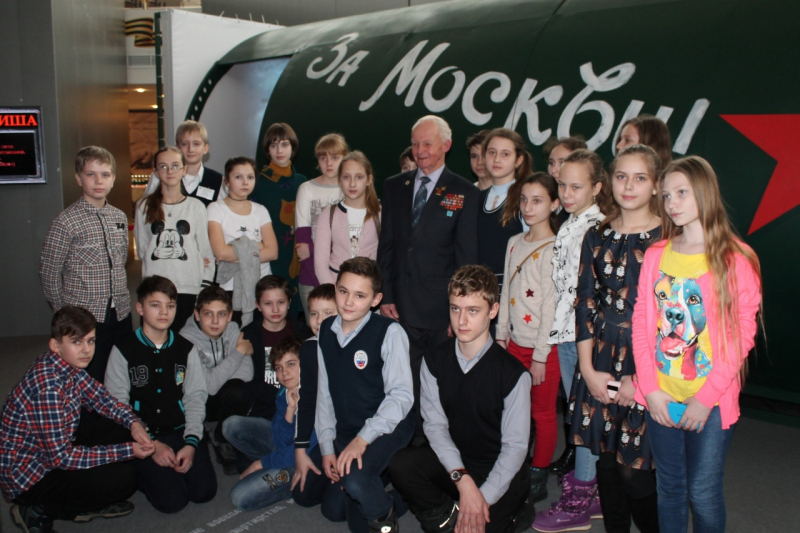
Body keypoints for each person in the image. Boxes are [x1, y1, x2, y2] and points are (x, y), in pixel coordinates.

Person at [632, 156, 762, 533]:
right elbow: (642, 323)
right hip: (661, 396)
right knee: (669, 488)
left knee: (703, 492)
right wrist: (650, 390)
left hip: (711, 400)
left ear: (705, 192)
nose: (672, 203)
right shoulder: (656, 254)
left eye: (682, 193)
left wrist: (705, 399)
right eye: (667, 195)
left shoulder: (736, 259)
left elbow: (741, 338)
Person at [541, 145, 664, 533]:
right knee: (607, 463)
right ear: (610, 181)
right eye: (622, 176)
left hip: (648, 366)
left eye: (640, 178)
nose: (629, 186)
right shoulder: (597, 234)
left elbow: (672, 318)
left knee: (635, 472)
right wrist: (588, 370)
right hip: (598, 360)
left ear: (656, 185)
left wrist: (640, 378)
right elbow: (585, 303)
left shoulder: (668, 237)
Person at [390, 265, 534, 533]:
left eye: (473, 310)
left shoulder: (513, 374)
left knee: (482, 521)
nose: (462, 321)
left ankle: (518, 507)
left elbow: (515, 449)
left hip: (499, 470)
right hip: (455, 463)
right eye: (455, 308)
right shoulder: (434, 360)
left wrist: (481, 498)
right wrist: (462, 480)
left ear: (493, 310)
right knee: (401, 464)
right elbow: (435, 426)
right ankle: (446, 513)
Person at [1, 307, 154, 533]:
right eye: (76, 342)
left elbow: (102, 399)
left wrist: (134, 423)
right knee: (123, 480)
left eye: (91, 341)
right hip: (30, 476)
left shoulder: (67, 365)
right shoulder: (48, 389)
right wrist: (128, 451)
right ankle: (39, 510)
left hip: (53, 447)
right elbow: (62, 458)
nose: (86, 350)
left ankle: (85, 497)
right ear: (55, 345)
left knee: (123, 428)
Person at [377, 115, 479, 442]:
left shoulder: (464, 191)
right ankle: (405, 443)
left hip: (439, 311)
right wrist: (386, 295)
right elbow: (387, 245)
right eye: (415, 144)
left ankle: (435, 446)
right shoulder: (395, 186)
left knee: (438, 384)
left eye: (427, 143)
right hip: (400, 307)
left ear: (446, 145)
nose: (419, 151)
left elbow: (466, 259)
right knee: (402, 381)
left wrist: (458, 313)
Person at [308, 257, 414, 532]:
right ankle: (377, 484)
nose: (348, 302)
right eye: (343, 291)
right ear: (335, 289)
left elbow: (401, 397)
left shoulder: (389, 332)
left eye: (360, 295)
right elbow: (324, 394)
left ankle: (394, 506)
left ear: (376, 299)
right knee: (330, 510)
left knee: (356, 485)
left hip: (388, 427)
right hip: (349, 428)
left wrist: (363, 439)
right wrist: (327, 447)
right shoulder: (326, 331)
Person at [105, 275, 217, 514]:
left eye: (170, 305)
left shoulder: (186, 349)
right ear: (140, 308)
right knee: (173, 502)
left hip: (179, 430)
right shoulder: (123, 350)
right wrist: (153, 445)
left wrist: (191, 443)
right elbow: (117, 404)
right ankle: (139, 473)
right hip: (142, 435)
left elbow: (195, 397)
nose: (164, 312)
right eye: (155, 305)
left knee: (204, 492)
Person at [538, 149, 607, 529]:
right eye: (562, 185)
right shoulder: (570, 222)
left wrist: (585, 347)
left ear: (596, 187)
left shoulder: (595, 228)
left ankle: (581, 496)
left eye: (576, 187)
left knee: (584, 420)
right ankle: (593, 494)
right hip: (566, 335)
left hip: (582, 340)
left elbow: (592, 295)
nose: (566, 193)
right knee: (581, 418)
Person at [39, 146, 131, 383]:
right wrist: (64, 312)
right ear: (79, 178)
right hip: (86, 317)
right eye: (91, 174)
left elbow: (121, 260)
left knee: (120, 374)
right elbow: (49, 272)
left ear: (113, 179)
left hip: (120, 312)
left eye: (105, 175)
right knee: (90, 377)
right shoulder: (65, 221)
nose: (99, 181)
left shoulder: (119, 217)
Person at [496, 172, 561, 504]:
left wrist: (539, 355)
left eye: (537, 200)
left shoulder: (555, 248)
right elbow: (505, 292)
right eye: (524, 200)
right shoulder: (514, 242)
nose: (528, 207)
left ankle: (539, 473)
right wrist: (500, 337)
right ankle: (514, 465)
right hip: (512, 345)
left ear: (555, 204)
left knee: (543, 414)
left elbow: (551, 306)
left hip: (541, 351)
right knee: (512, 410)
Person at [223, 275, 311, 470]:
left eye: (281, 302)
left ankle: (279, 460)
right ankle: (282, 459)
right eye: (268, 303)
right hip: (265, 413)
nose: (275, 309)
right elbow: (249, 382)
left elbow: (310, 374)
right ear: (258, 306)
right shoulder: (249, 335)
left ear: (289, 303)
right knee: (231, 426)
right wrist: (280, 397)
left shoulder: (301, 332)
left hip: (298, 413)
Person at [225, 336, 318, 511]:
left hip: (301, 459)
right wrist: (290, 410)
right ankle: (272, 467)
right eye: (279, 368)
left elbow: (306, 448)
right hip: (285, 448)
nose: (284, 373)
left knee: (240, 497)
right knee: (231, 425)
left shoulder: (318, 394)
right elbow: (280, 441)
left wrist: (261, 463)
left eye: (291, 364)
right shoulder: (284, 392)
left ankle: (287, 485)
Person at [541, 136, 587, 475]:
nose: (557, 169)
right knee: (568, 403)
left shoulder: (587, 222)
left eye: (564, 163)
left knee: (582, 406)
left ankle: (584, 476)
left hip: (576, 330)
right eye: (553, 163)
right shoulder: (558, 214)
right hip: (557, 325)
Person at [134, 146, 215, 333]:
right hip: (155, 290)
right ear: (156, 172)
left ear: (184, 169)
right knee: (154, 342)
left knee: (185, 342)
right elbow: (143, 249)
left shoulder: (196, 207)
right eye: (163, 166)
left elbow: (206, 251)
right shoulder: (144, 206)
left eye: (175, 165)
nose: (169, 171)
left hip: (188, 288)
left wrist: (203, 289)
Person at [179, 287, 254, 475]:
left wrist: (214, 375)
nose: (214, 321)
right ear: (197, 315)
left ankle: (221, 436)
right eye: (208, 314)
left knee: (240, 390)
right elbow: (209, 387)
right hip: (194, 401)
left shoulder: (233, 329)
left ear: (229, 316)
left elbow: (247, 373)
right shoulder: (186, 338)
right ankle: (203, 428)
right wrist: (239, 351)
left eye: (221, 314)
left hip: (219, 395)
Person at [207, 156, 278, 325]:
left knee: (258, 334)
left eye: (250, 177)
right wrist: (257, 246)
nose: (245, 182)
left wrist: (237, 249)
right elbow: (221, 253)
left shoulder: (260, 210)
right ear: (226, 181)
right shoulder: (216, 208)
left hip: (261, 284)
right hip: (230, 286)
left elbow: (272, 252)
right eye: (238, 177)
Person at [250, 123, 307, 316]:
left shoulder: (303, 182)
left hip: (298, 256)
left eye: (284, 144)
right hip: (270, 257)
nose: (279, 151)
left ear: (293, 147)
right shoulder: (257, 182)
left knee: (297, 315)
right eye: (273, 145)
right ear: (267, 150)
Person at [295, 134, 349, 321]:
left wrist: (312, 249)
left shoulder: (351, 189)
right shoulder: (306, 189)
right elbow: (302, 246)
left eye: (335, 157)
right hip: (310, 277)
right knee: (317, 330)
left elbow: (352, 242)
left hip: (345, 280)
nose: (329, 163)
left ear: (344, 158)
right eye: (323, 158)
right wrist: (322, 283)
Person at [314, 151, 382, 285]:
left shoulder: (380, 214)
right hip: (335, 286)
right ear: (339, 180)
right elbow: (320, 264)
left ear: (369, 180)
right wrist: (334, 292)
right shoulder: (328, 215)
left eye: (359, 177)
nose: (352, 184)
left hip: (368, 289)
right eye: (346, 177)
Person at [476, 128, 531, 293]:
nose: (497, 159)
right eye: (492, 152)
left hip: (512, 290)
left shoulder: (525, 199)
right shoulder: (476, 198)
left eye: (505, 154)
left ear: (518, 160)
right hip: (479, 289)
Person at [144, 120, 226, 206]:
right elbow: (146, 207)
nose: (190, 149)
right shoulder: (161, 175)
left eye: (196, 144)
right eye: (184, 144)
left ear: (205, 148)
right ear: (177, 148)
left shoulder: (218, 180)